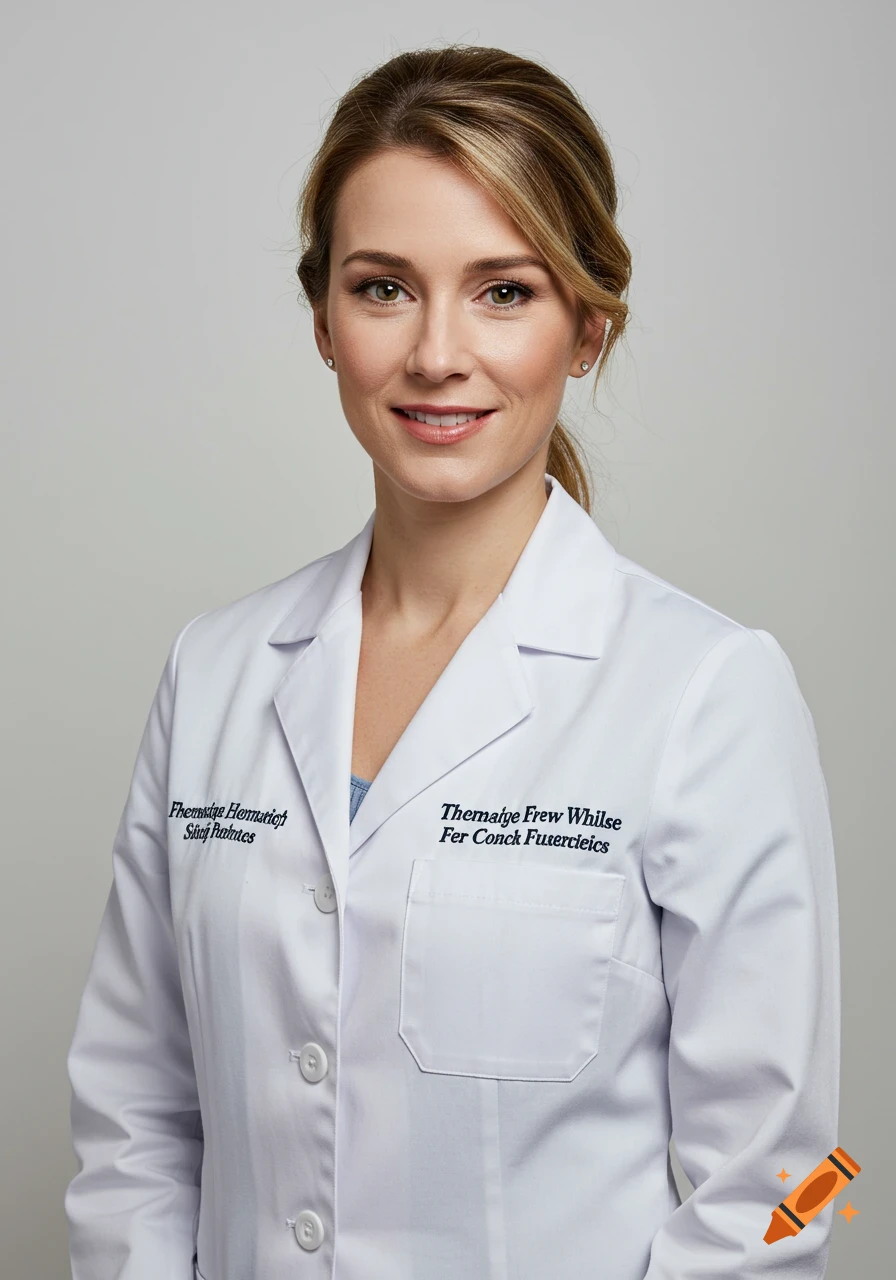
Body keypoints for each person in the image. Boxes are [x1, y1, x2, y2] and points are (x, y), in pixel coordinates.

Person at [64, 43, 841, 1280]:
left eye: (502, 290)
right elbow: (137, 1123)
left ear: (587, 326)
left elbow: (791, 1186)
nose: (435, 352)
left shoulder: (705, 691)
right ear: (322, 320)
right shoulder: (212, 673)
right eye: (382, 288)